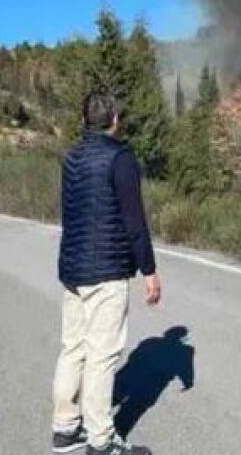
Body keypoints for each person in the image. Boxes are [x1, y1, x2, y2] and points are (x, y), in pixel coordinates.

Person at [51, 93, 161, 455]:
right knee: (101, 356)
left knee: (73, 349)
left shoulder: (71, 157)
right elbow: (134, 220)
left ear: (86, 120)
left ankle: (65, 430)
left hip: (73, 268)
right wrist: (149, 270)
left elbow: (72, 214)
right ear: (114, 119)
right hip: (107, 269)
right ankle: (100, 441)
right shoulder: (120, 157)